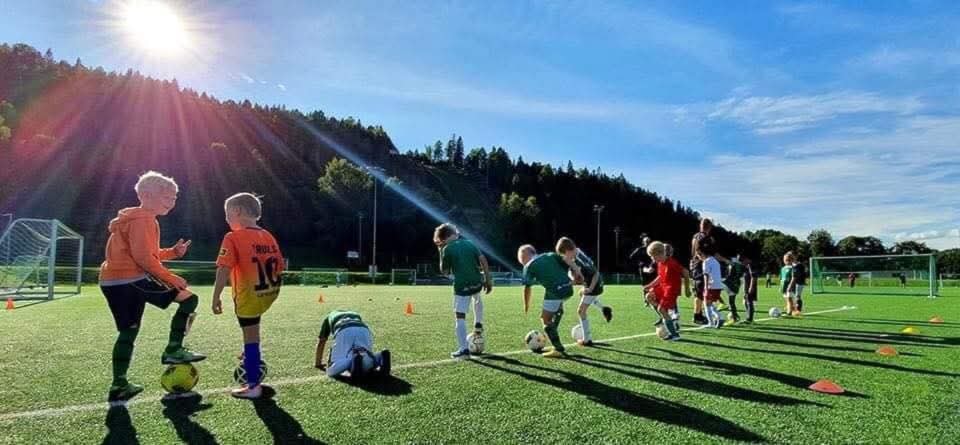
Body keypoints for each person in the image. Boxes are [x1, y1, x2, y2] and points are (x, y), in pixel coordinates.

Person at [99, 171, 205, 402]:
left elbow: (147, 252)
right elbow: (144, 259)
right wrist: (171, 278)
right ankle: (173, 349)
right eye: (167, 197)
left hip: (111, 281)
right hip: (131, 280)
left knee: (128, 331)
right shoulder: (144, 220)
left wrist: (172, 253)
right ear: (146, 196)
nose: (172, 201)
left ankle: (119, 384)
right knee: (189, 299)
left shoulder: (134, 218)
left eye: (174, 197)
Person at [211, 193, 284, 399]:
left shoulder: (232, 237)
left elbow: (223, 269)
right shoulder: (268, 235)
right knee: (253, 330)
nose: (226, 219)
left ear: (237, 211)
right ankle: (250, 353)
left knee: (251, 338)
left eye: (227, 215)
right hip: (268, 294)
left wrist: (216, 296)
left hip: (249, 296)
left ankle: (253, 386)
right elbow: (279, 266)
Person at [434, 223, 493, 359]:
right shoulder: (469, 243)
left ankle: (464, 350)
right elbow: (483, 260)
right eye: (456, 232)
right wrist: (488, 278)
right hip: (477, 282)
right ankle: (478, 324)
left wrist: (440, 252)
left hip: (462, 285)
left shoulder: (447, 249)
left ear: (443, 238)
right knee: (477, 296)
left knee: (459, 316)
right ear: (452, 234)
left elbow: (444, 271)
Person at [518, 244, 581, 358]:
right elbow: (568, 260)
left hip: (555, 292)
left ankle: (558, 349)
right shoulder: (550, 255)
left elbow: (527, 288)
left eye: (520, 257)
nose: (520, 260)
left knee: (545, 319)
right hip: (568, 289)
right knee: (557, 308)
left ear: (525, 255)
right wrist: (577, 274)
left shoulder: (529, 266)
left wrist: (526, 305)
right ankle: (554, 326)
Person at [556, 237, 612, 347]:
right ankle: (604, 309)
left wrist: (590, 289)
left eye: (564, 255)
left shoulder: (579, 258)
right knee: (581, 293)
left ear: (567, 251)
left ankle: (587, 340)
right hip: (591, 283)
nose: (565, 258)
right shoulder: (577, 253)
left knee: (581, 311)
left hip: (594, 285)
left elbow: (595, 273)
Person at [315, 310, 390, 379]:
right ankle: (380, 356)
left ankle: (354, 359)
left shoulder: (329, 317)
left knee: (330, 371)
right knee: (365, 356)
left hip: (343, 329)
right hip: (363, 329)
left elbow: (322, 342)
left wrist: (318, 363)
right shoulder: (355, 314)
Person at [643, 241, 691, 340]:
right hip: (663, 287)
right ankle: (667, 316)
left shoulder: (672, 263)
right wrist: (649, 285)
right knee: (649, 297)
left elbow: (686, 272)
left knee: (661, 309)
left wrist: (687, 289)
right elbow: (660, 277)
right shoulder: (660, 263)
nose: (652, 259)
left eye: (652, 256)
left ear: (660, 254)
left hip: (671, 289)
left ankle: (674, 335)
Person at [690, 218, 728, 325]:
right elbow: (705, 253)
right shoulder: (705, 238)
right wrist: (727, 261)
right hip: (700, 267)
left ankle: (701, 315)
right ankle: (697, 316)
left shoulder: (697, 236)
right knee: (700, 292)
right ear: (710, 227)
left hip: (697, 266)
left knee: (702, 291)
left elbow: (696, 252)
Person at [700, 247, 726, 328]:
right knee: (710, 304)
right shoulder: (715, 261)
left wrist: (706, 287)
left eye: (699, 255)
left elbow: (706, 275)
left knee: (706, 304)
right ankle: (718, 317)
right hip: (718, 285)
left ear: (703, 254)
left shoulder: (706, 262)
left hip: (711, 285)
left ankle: (712, 322)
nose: (699, 257)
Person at [722, 255, 746, 323]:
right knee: (732, 302)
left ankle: (722, 304)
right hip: (737, 285)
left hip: (731, 285)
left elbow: (730, 277)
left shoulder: (733, 265)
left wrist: (723, 281)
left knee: (714, 287)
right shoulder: (741, 266)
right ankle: (735, 316)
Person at [741, 254, 758, 323]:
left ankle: (749, 319)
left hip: (750, 287)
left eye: (742, 261)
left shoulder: (751, 266)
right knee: (746, 301)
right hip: (746, 287)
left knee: (749, 302)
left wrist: (751, 287)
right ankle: (749, 317)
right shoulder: (747, 266)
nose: (742, 262)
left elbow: (754, 277)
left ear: (747, 259)